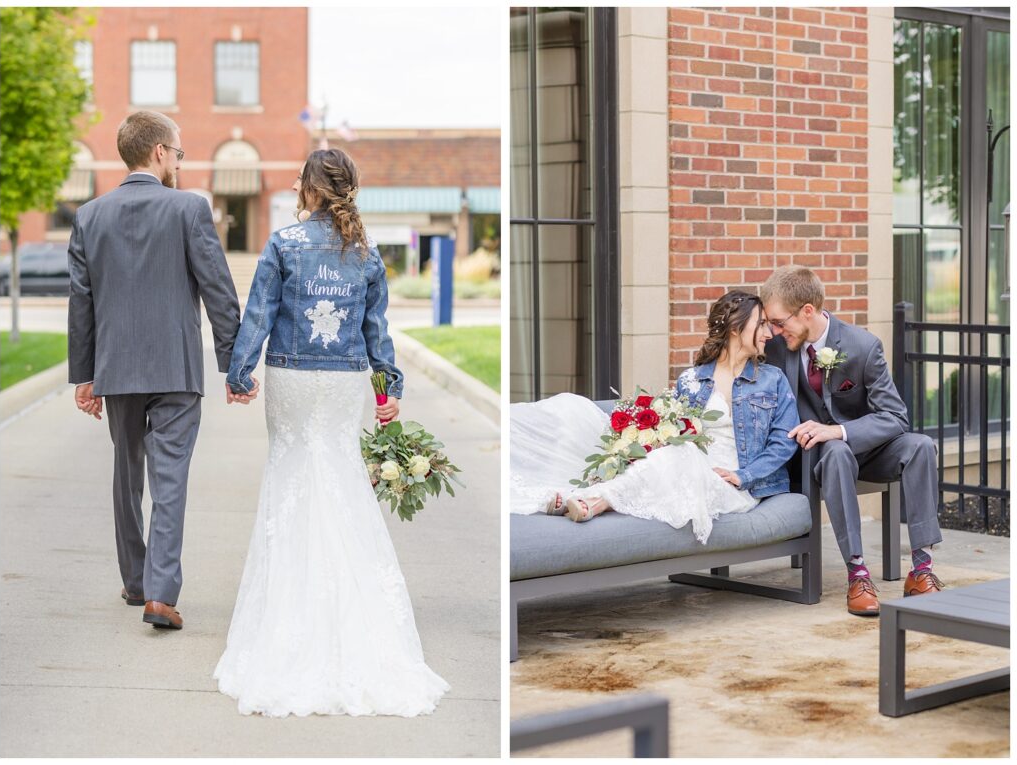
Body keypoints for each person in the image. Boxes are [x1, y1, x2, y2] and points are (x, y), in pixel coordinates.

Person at [213, 148, 449, 717]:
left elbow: (259, 315)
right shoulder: (366, 254)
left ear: (312, 189)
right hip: (344, 385)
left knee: (291, 479)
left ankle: (291, 618)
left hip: (292, 380)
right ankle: (353, 615)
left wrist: (239, 371)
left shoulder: (284, 244)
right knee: (339, 480)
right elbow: (377, 331)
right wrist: (388, 388)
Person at [68, 110, 245, 632]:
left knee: (126, 473)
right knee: (169, 479)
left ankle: (136, 579)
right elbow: (218, 289)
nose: (180, 162)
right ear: (160, 153)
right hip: (175, 368)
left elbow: (82, 301)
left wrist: (85, 375)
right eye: (180, 152)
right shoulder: (190, 209)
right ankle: (160, 596)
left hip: (116, 368)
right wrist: (234, 364)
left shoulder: (89, 215)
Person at [511, 291, 800, 545]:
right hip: (687, 465)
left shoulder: (772, 380)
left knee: (679, 455)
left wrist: (742, 476)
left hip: (737, 485)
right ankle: (587, 496)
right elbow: (673, 432)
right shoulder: (692, 380)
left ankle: (595, 502)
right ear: (737, 328)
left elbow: (783, 442)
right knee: (673, 452)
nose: (769, 333)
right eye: (761, 323)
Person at [760, 265, 945, 617]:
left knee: (920, 445)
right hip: (813, 458)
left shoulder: (862, 346)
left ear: (808, 312)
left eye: (780, 322)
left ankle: (922, 569)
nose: (774, 330)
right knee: (836, 452)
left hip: (867, 450)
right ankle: (858, 574)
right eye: (770, 322)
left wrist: (839, 430)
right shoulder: (776, 348)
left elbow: (895, 417)